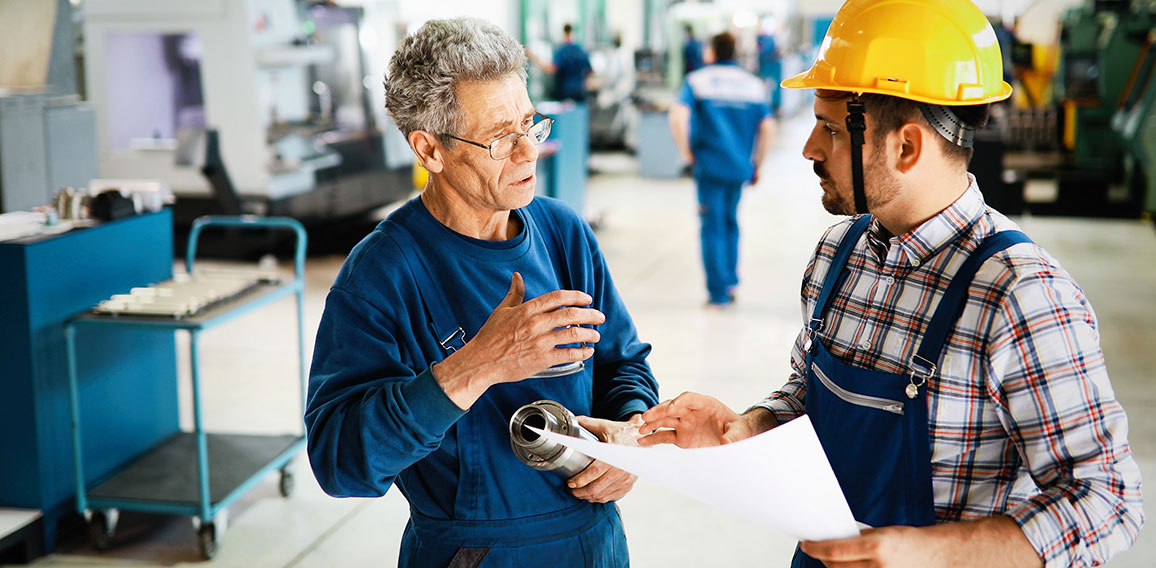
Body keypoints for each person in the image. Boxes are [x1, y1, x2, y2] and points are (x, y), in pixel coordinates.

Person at [640, 1, 1142, 567]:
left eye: (829, 128)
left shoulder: (1020, 295)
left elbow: (1107, 501)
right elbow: (814, 393)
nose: (808, 147)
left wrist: (931, 554)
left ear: (905, 146)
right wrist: (749, 425)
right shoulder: (839, 253)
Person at [305, 18, 659, 567]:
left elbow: (624, 365)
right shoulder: (383, 274)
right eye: (499, 137)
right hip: (473, 554)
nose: (527, 152)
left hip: (595, 543)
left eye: (529, 125)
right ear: (430, 150)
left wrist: (632, 435)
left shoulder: (564, 235)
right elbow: (340, 463)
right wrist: (477, 365)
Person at [669, 31, 777, 307]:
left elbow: (678, 116)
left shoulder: (697, 81)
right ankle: (730, 280)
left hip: (710, 167)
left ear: (712, 51)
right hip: (739, 168)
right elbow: (768, 126)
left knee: (712, 225)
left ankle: (718, 291)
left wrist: (687, 154)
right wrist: (758, 163)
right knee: (730, 221)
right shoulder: (752, 85)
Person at [528, 23, 592, 103]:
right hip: (580, 93)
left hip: (564, 94)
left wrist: (532, 57)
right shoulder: (582, 50)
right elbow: (589, 70)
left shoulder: (562, 51)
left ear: (564, 33)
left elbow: (551, 69)